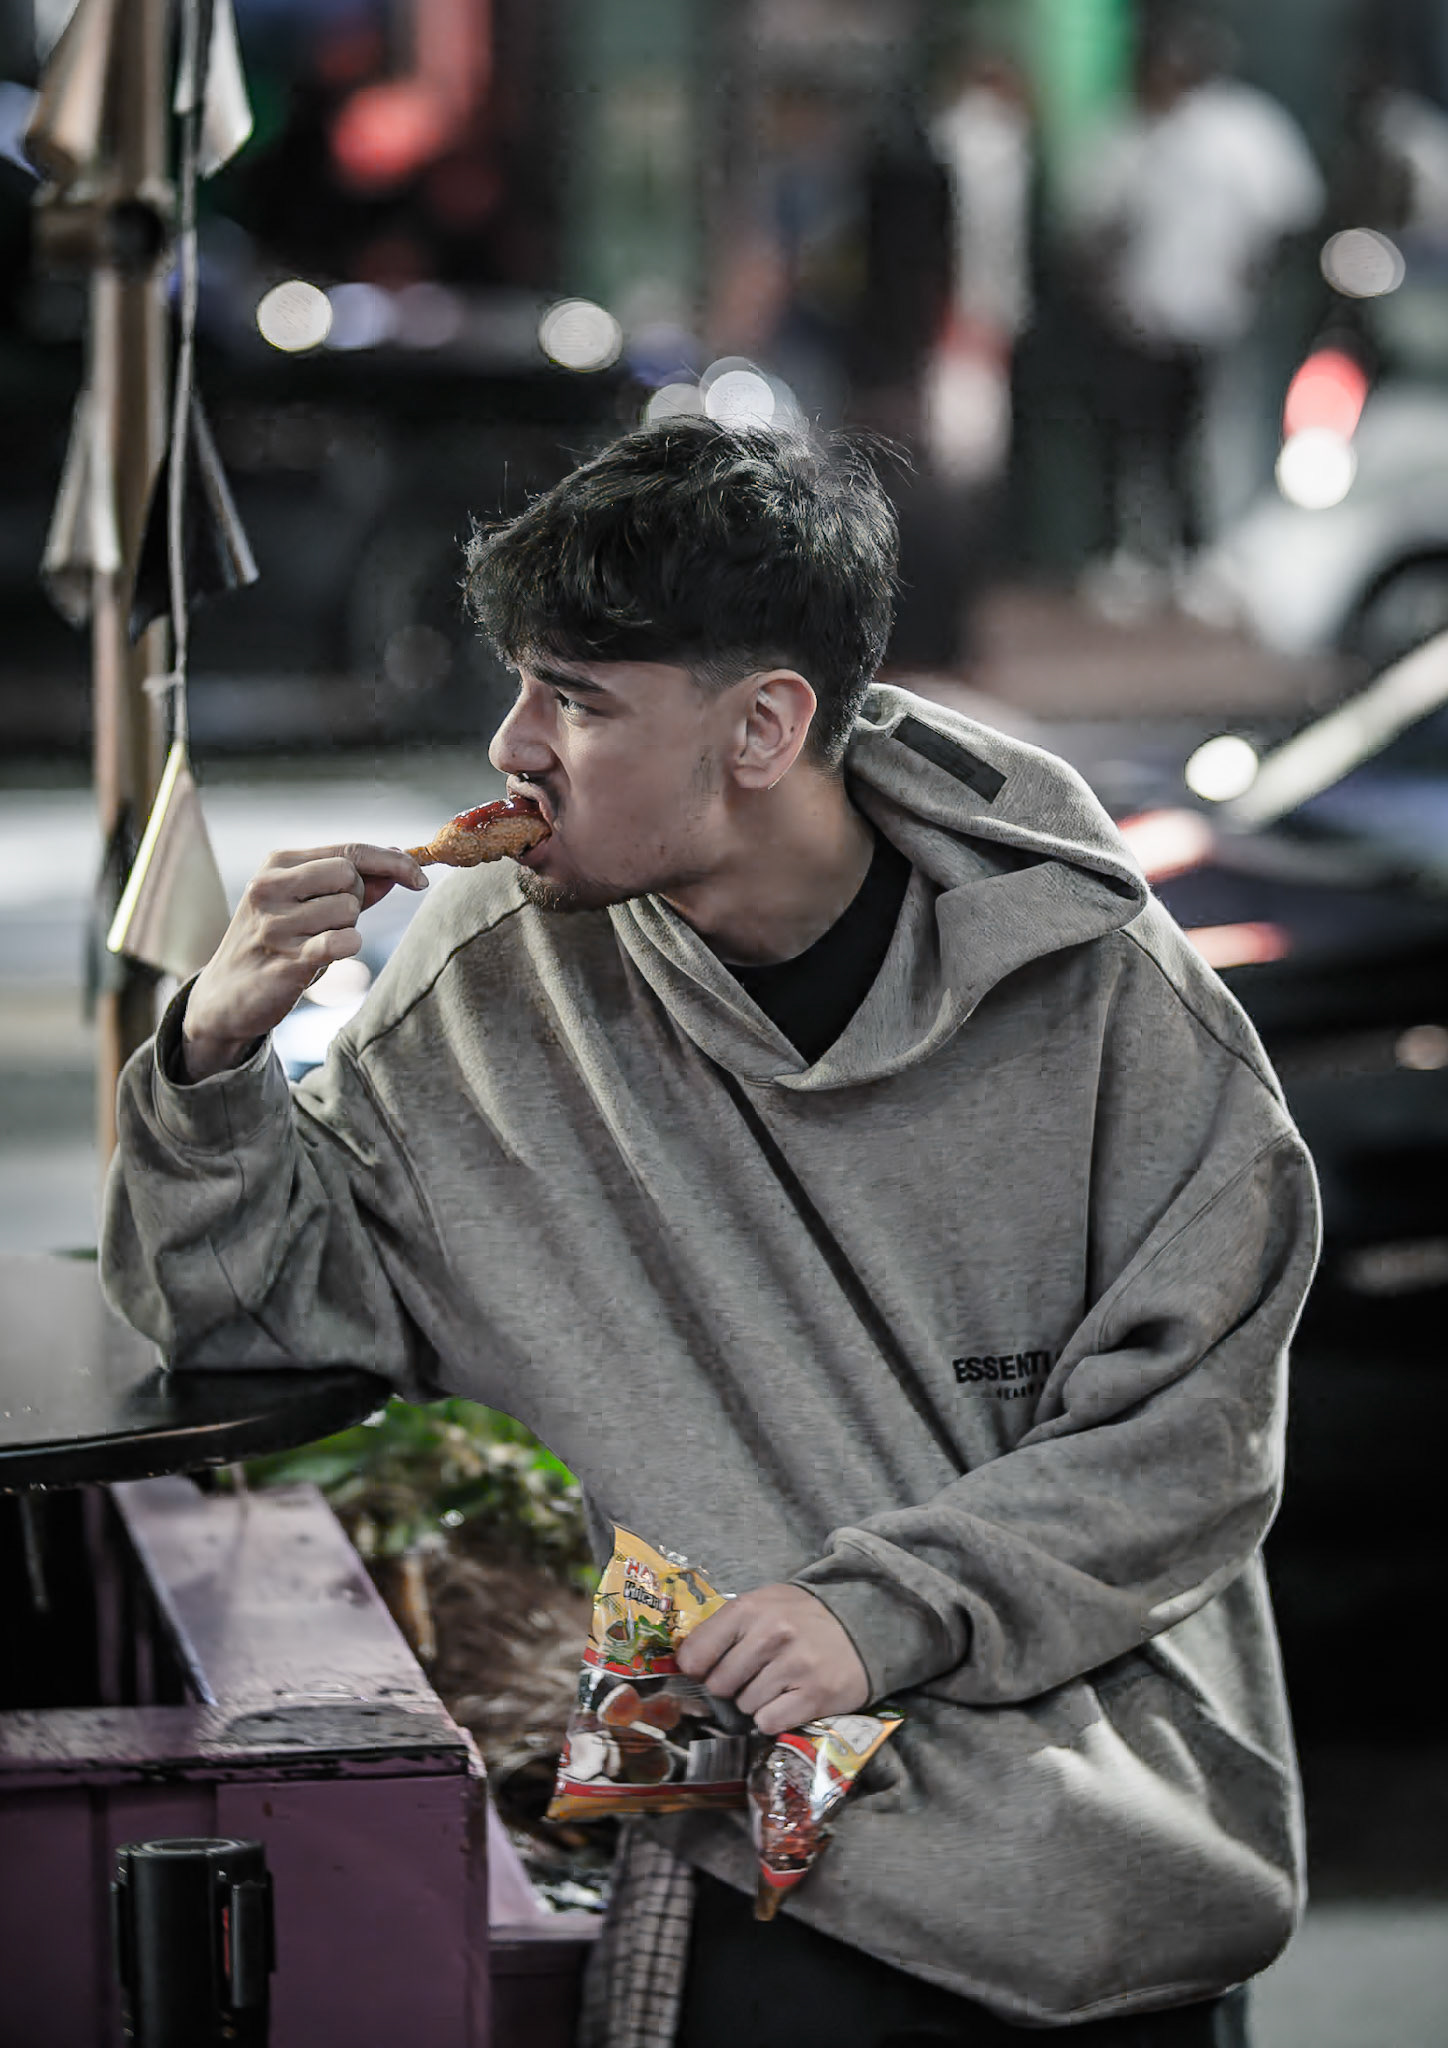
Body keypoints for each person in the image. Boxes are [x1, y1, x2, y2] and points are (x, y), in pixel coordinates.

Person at [102, 418, 1318, 2048]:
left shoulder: (1108, 995)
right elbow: (261, 1328)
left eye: (580, 699)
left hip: (1115, 1859)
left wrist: (873, 1607)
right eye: (521, 682)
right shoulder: (483, 975)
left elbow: (1194, 1443)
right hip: (764, 1851)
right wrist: (207, 1069)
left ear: (763, 726)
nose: (511, 745)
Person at [1067, 10, 1323, 616]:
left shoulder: (1245, 127)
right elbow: (1093, 226)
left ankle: (1208, 558)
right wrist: (1110, 291)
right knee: (1137, 445)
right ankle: (1137, 560)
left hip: (1220, 323)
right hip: (1141, 321)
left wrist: (1248, 280)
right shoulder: (1131, 133)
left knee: (1212, 444)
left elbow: (1288, 213)